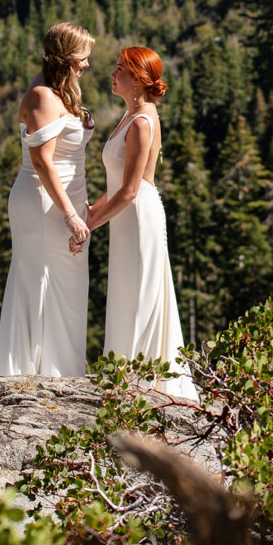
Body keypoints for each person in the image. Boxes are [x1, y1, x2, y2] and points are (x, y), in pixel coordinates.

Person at [83, 47, 198, 402]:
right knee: (125, 292)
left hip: (137, 216)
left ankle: (140, 383)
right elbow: (117, 186)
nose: (112, 74)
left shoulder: (143, 121)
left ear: (137, 79)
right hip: (125, 217)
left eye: (120, 69)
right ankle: (127, 378)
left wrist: (91, 224)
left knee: (138, 295)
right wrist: (90, 212)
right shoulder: (130, 115)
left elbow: (131, 189)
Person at [0, 22, 95, 377]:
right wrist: (70, 215)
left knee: (68, 282)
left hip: (65, 198)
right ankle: (26, 374)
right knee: (39, 280)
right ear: (67, 59)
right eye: (83, 58)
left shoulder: (62, 92)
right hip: (42, 200)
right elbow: (42, 161)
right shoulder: (42, 96)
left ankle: (61, 371)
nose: (86, 65)